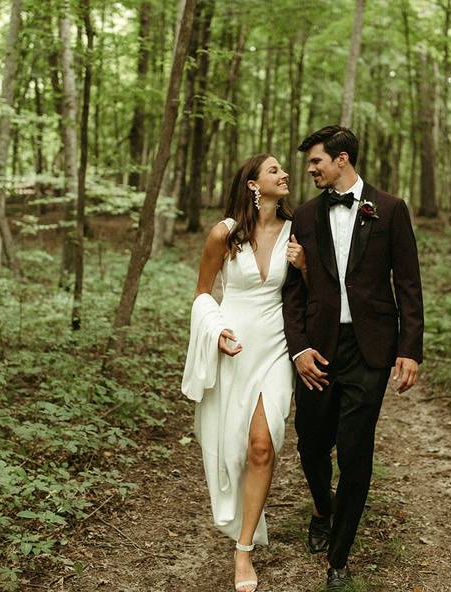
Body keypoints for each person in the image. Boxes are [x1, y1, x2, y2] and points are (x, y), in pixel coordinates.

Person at [282, 125, 424, 590]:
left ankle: (339, 558)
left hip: (370, 350)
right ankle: (322, 509)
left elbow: (407, 283)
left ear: (341, 159)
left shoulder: (390, 209)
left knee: (357, 450)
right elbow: (293, 292)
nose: (310, 170)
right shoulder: (302, 216)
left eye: (316, 162)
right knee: (310, 442)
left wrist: (409, 349)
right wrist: (299, 348)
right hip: (318, 349)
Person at [182, 153, 304, 592]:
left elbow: (311, 293)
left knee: (261, 445)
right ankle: (237, 516)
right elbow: (201, 295)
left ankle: (244, 549)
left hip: (275, 348)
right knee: (232, 449)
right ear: (253, 184)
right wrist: (216, 334)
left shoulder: (298, 232)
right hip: (234, 347)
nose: (284, 174)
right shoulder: (224, 234)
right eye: (274, 170)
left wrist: (305, 266)